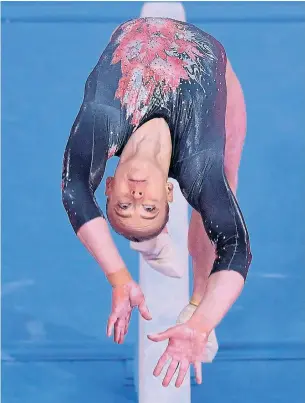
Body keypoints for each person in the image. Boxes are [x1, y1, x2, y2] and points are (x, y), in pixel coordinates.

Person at [62, 17, 252, 388]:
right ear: (168, 192)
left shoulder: (102, 125)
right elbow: (238, 248)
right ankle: (196, 301)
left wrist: (118, 278)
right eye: (148, 207)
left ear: (110, 184)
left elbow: (74, 192)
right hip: (216, 72)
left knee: (216, 191)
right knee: (224, 181)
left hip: (144, 35)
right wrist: (202, 323)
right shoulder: (197, 167)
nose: (136, 198)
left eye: (123, 205)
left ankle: (148, 238)